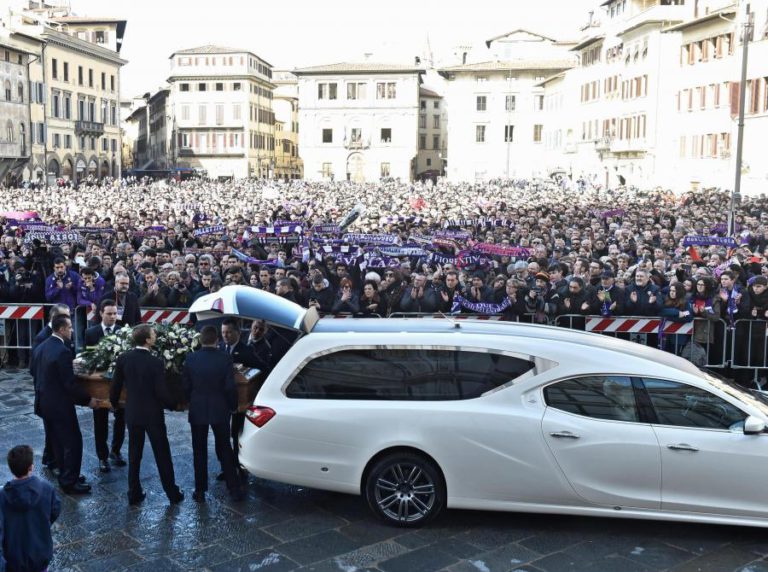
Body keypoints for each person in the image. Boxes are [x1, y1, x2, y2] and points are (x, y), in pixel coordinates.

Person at [110, 325, 184, 505]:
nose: (155, 336)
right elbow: (160, 391)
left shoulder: (123, 358)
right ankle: (171, 492)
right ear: (147, 340)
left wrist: (114, 404)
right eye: (153, 334)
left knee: (134, 454)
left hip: (133, 413)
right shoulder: (155, 362)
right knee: (162, 454)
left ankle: (133, 493)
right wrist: (173, 404)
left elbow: (115, 386)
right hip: (153, 415)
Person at [30, 316, 98, 494]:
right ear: (61, 329)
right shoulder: (62, 351)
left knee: (58, 442)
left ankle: (66, 474)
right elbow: (69, 384)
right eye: (69, 327)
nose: (72, 330)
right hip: (59, 405)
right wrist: (88, 399)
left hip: (44, 403)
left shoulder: (42, 346)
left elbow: (33, 372)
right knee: (73, 442)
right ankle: (69, 480)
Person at [182, 326, 243, 502]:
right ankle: (234, 488)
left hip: (198, 407)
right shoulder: (225, 358)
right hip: (220, 407)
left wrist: (190, 401)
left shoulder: (191, 358)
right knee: (224, 447)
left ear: (201, 340)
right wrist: (232, 406)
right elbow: (230, 387)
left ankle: (200, 490)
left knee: (198, 450)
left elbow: (186, 385)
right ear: (217, 340)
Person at [0, 445, 61, 572]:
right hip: (40, 554)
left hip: (14, 558)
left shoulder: (3, 496)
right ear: (31, 467)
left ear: (11, 469)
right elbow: (55, 510)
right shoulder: (46, 488)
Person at [83, 299, 127, 473]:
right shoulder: (91, 333)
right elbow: (90, 357)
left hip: (120, 385)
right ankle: (102, 456)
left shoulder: (123, 332)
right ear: (101, 313)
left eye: (115, 313)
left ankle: (116, 451)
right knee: (100, 421)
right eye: (109, 313)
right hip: (100, 385)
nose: (113, 317)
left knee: (121, 418)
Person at [219, 318, 263, 479]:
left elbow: (261, 367)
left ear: (237, 332)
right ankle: (226, 466)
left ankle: (238, 464)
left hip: (240, 400)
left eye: (229, 332)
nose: (225, 336)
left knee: (236, 432)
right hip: (223, 399)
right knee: (222, 435)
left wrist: (244, 370)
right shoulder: (219, 348)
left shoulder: (246, 350)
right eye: (223, 332)